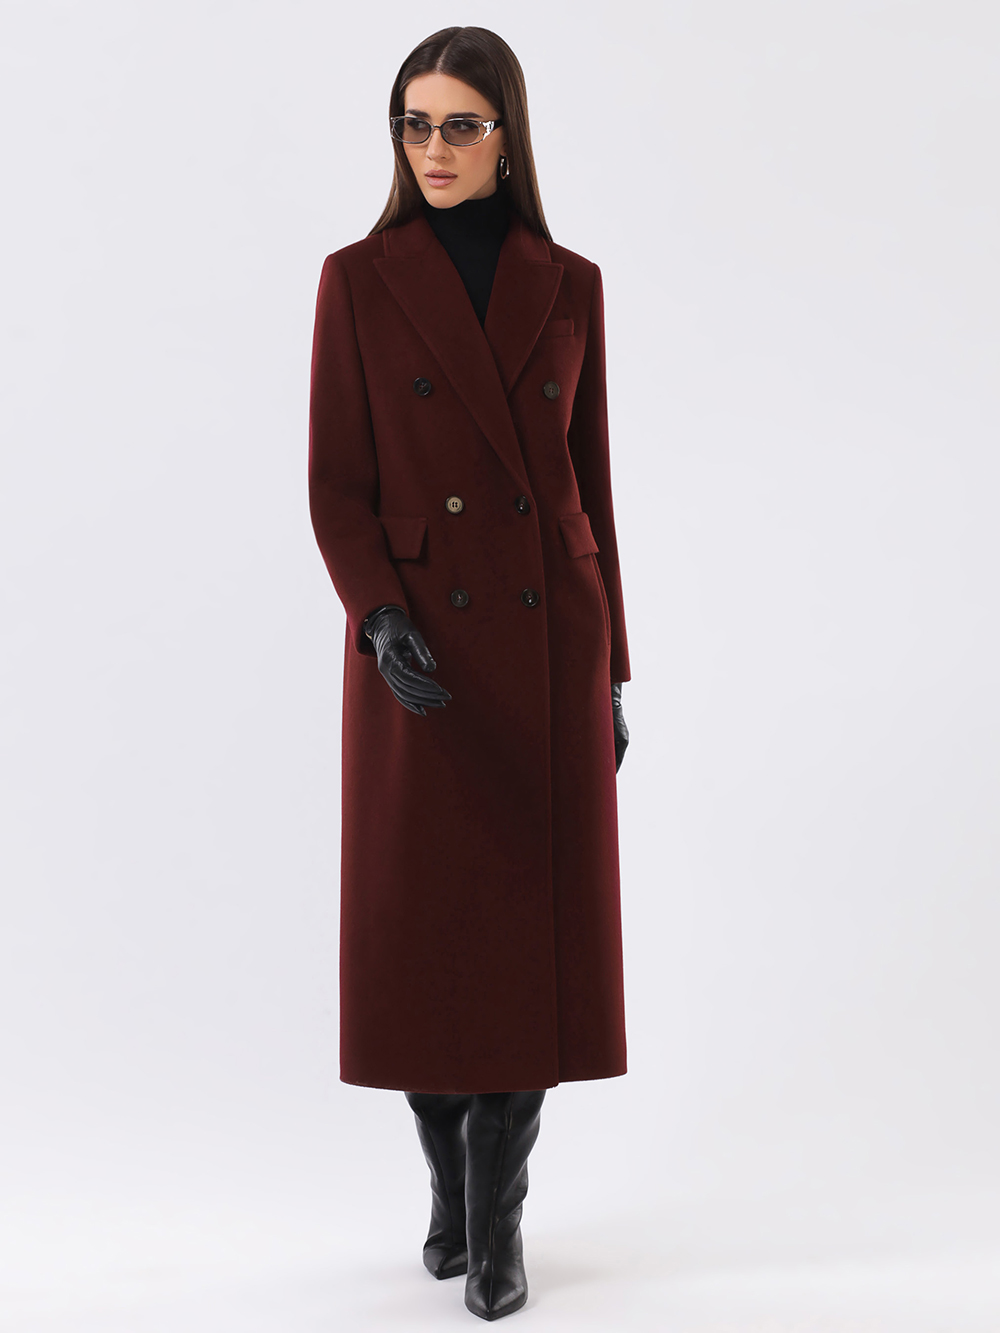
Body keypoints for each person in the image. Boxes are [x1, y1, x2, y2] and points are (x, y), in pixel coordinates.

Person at [307, 25, 631, 1322]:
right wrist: (380, 617)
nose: (432, 149)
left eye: (458, 125)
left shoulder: (572, 283)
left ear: (508, 137)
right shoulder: (355, 280)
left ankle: (498, 1226)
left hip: (549, 648)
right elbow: (337, 487)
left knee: (529, 951)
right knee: (424, 945)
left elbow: (588, 492)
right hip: (419, 657)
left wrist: (614, 671)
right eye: (414, 124)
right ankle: (448, 1183)